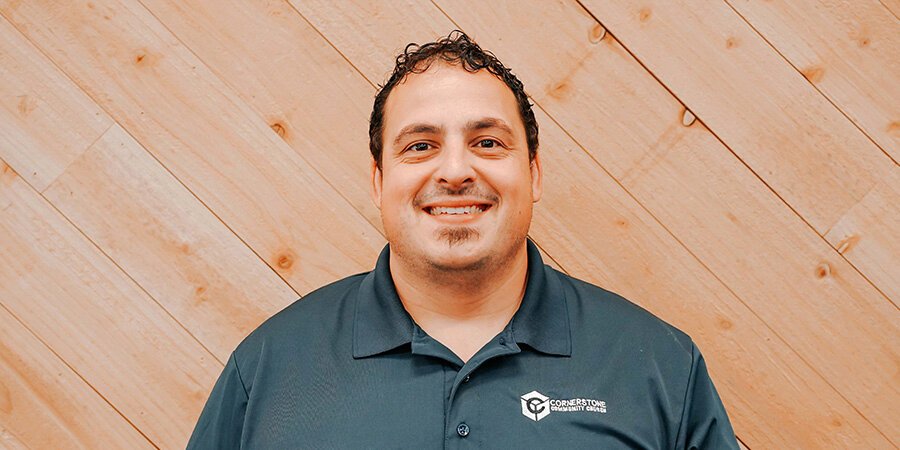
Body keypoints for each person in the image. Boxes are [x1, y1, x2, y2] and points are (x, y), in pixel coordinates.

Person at [187, 30, 739, 449]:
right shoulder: (268, 368)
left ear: (535, 173)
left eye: (488, 143)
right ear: (380, 181)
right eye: (420, 146)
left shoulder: (659, 365)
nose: (454, 170)